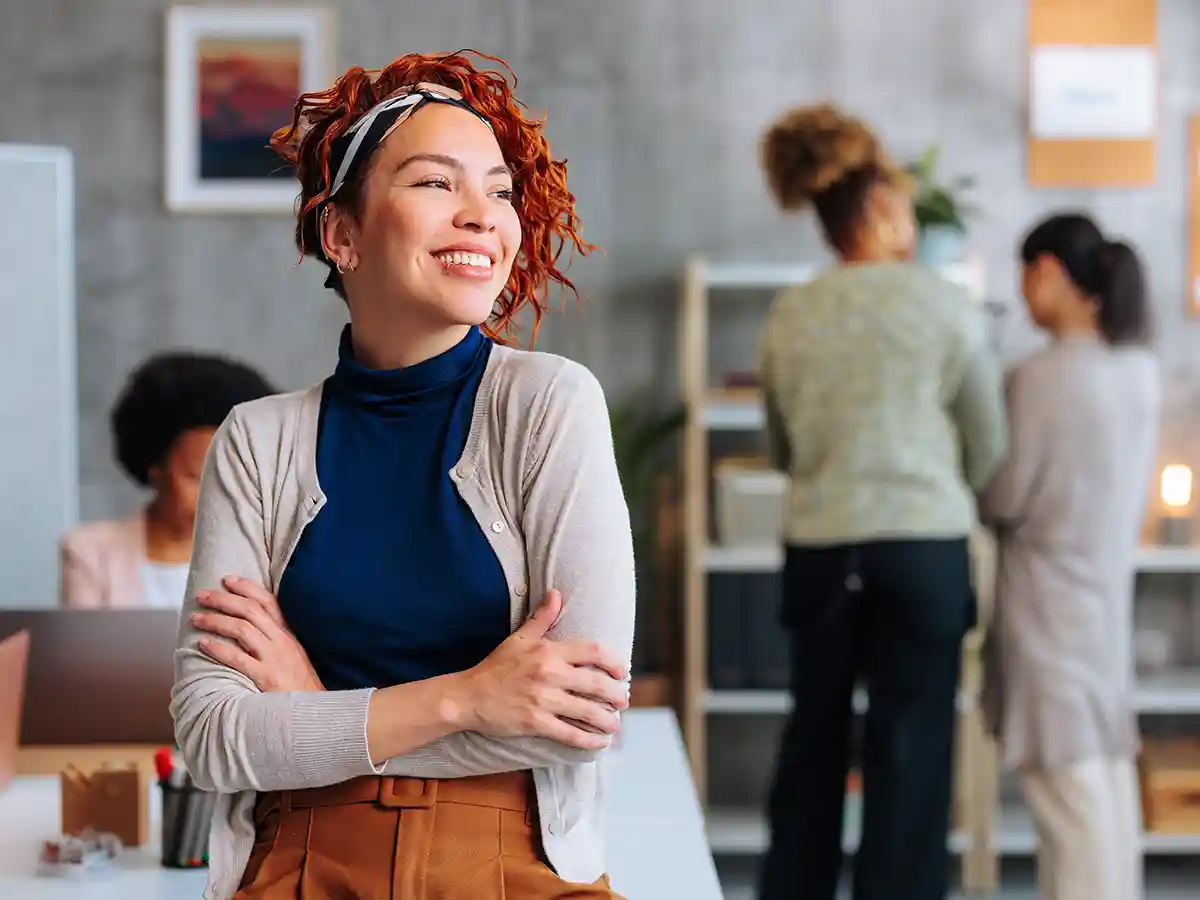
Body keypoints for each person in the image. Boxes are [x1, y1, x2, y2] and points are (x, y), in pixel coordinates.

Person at [169, 51, 636, 900]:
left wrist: (310, 706)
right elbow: (210, 734)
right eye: (434, 184)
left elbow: (578, 722)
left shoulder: (551, 406)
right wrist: (466, 699)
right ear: (341, 235)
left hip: (517, 865)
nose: (481, 217)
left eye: (497, 192)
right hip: (299, 863)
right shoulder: (254, 441)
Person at [754, 104, 1008, 900]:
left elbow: (782, 450)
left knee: (814, 740)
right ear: (888, 208)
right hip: (922, 550)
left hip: (822, 550)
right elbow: (989, 443)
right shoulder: (943, 305)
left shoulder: (792, 312)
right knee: (913, 745)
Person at [979, 213, 1158, 900]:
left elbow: (1005, 496)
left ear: (1048, 271)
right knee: (1105, 801)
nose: (1024, 295)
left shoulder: (1042, 376)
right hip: (1102, 611)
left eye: (1026, 276)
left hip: (1047, 613)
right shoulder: (1137, 369)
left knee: (1070, 812)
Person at [59, 353, 275, 609]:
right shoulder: (90, 553)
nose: (214, 500)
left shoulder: (270, 559)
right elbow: (81, 647)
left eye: (232, 482)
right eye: (196, 478)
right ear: (155, 465)